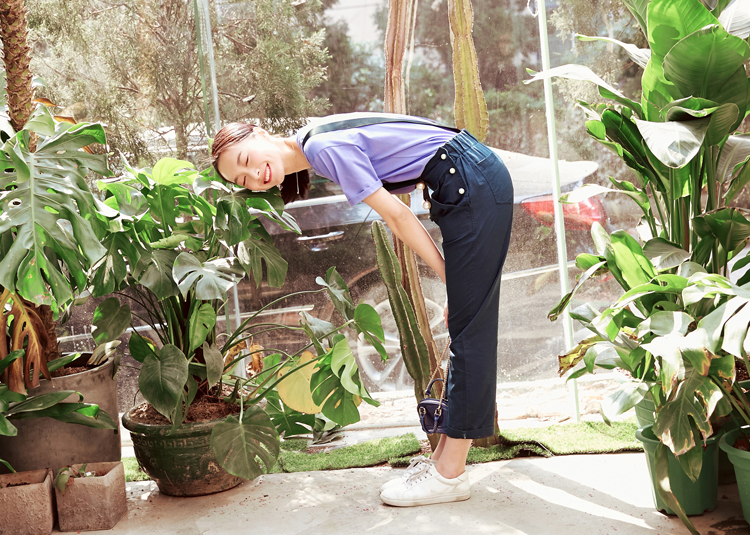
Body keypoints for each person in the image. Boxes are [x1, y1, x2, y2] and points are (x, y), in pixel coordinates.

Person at [211, 112, 513, 507]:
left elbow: (397, 216)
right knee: (466, 328)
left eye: (246, 160)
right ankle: (443, 462)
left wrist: (450, 281)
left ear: (260, 133)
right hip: (465, 175)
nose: (254, 177)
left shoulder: (321, 147)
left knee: (470, 330)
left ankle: (450, 475)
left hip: (467, 178)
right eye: (242, 180)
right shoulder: (313, 139)